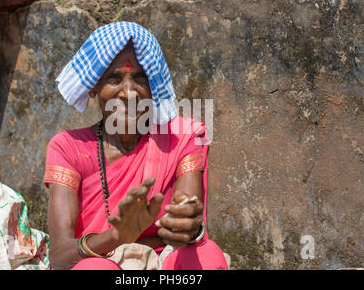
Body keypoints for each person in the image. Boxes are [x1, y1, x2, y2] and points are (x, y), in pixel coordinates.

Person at [44, 21, 228, 270]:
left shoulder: (183, 138)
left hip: (164, 261)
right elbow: (60, 256)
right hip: (100, 260)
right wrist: (117, 237)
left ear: (154, 86)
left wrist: (190, 227)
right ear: (94, 88)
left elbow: (186, 223)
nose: (129, 93)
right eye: (114, 78)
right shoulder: (68, 147)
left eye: (140, 78)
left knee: (206, 254)